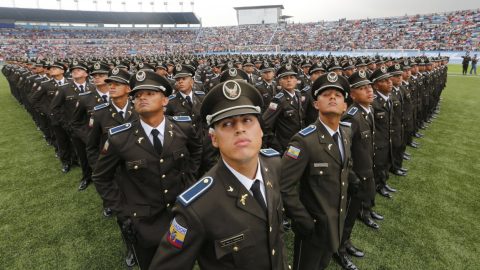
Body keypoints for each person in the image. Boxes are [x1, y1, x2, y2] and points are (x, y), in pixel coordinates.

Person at [149, 80, 289, 270]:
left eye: (247, 119)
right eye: (227, 123)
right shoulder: (196, 208)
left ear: (261, 130)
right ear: (214, 139)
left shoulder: (273, 164)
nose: (240, 128)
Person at [91, 70, 202, 270]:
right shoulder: (120, 138)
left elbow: (197, 151)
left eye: (150, 93)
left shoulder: (182, 128)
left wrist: (190, 182)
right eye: (138, 95)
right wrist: (122, 213)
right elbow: (101, 177)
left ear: (165, 101)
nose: (142, 97)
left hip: (180, 215)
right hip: (144, 222)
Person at [280, 72, 353, 270]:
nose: (332, 98)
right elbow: (283, 186)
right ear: (316, 104)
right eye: (326, 94)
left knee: (322, 265)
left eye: (338, 95)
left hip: (335, 221)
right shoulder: (304, 141)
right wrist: (303, 220)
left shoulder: (346, 133)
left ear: (345, 106)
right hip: (312, 226)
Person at [86, 66, 139, 268]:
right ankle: (131, 248)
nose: (112, 86)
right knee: (123, 216)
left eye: (117, 84)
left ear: (128, 89)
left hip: (138, 171)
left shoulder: (139, 110)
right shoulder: (100, 113)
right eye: (111, 83)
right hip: (115, 174)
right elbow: (91, 148)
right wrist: (100, 171)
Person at [334, 70, 376, 270]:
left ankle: (346, 243)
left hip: (364, 173)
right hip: (354, 177)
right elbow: (342, 149)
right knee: (347, 215)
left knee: (351, 215)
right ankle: (340, 250)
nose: (369, 90)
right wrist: (352, 177)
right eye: (362, 88)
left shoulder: (366, 111)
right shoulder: (352, 117)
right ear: (352, 95)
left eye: (369, 86)